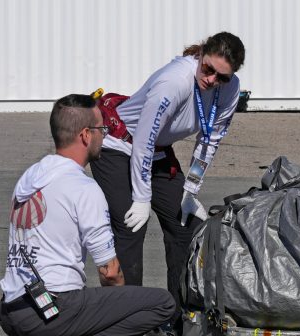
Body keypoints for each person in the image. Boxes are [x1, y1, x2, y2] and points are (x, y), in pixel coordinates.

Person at [0, 94, 176, 336]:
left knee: (80, 300)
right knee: (161, 304)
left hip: (12, 310)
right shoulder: (83, 188)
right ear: (85, 135)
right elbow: (109, 271)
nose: (104, 137)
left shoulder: (31, 176)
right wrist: (118, 311)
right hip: (52, 310)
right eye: (101, 130)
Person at [90, 32, 245, 298]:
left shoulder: (230, 89)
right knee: (131, 226)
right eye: (208, 69)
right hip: (118, 144)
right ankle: (129, 318)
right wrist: (141, 198)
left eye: (222, 77)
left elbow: (211, 139)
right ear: (200, 55)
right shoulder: (174, 81)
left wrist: (191, 188)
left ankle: (180, 314)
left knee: (186, 225)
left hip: (157, 151)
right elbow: (143, 140)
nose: (212, 80)